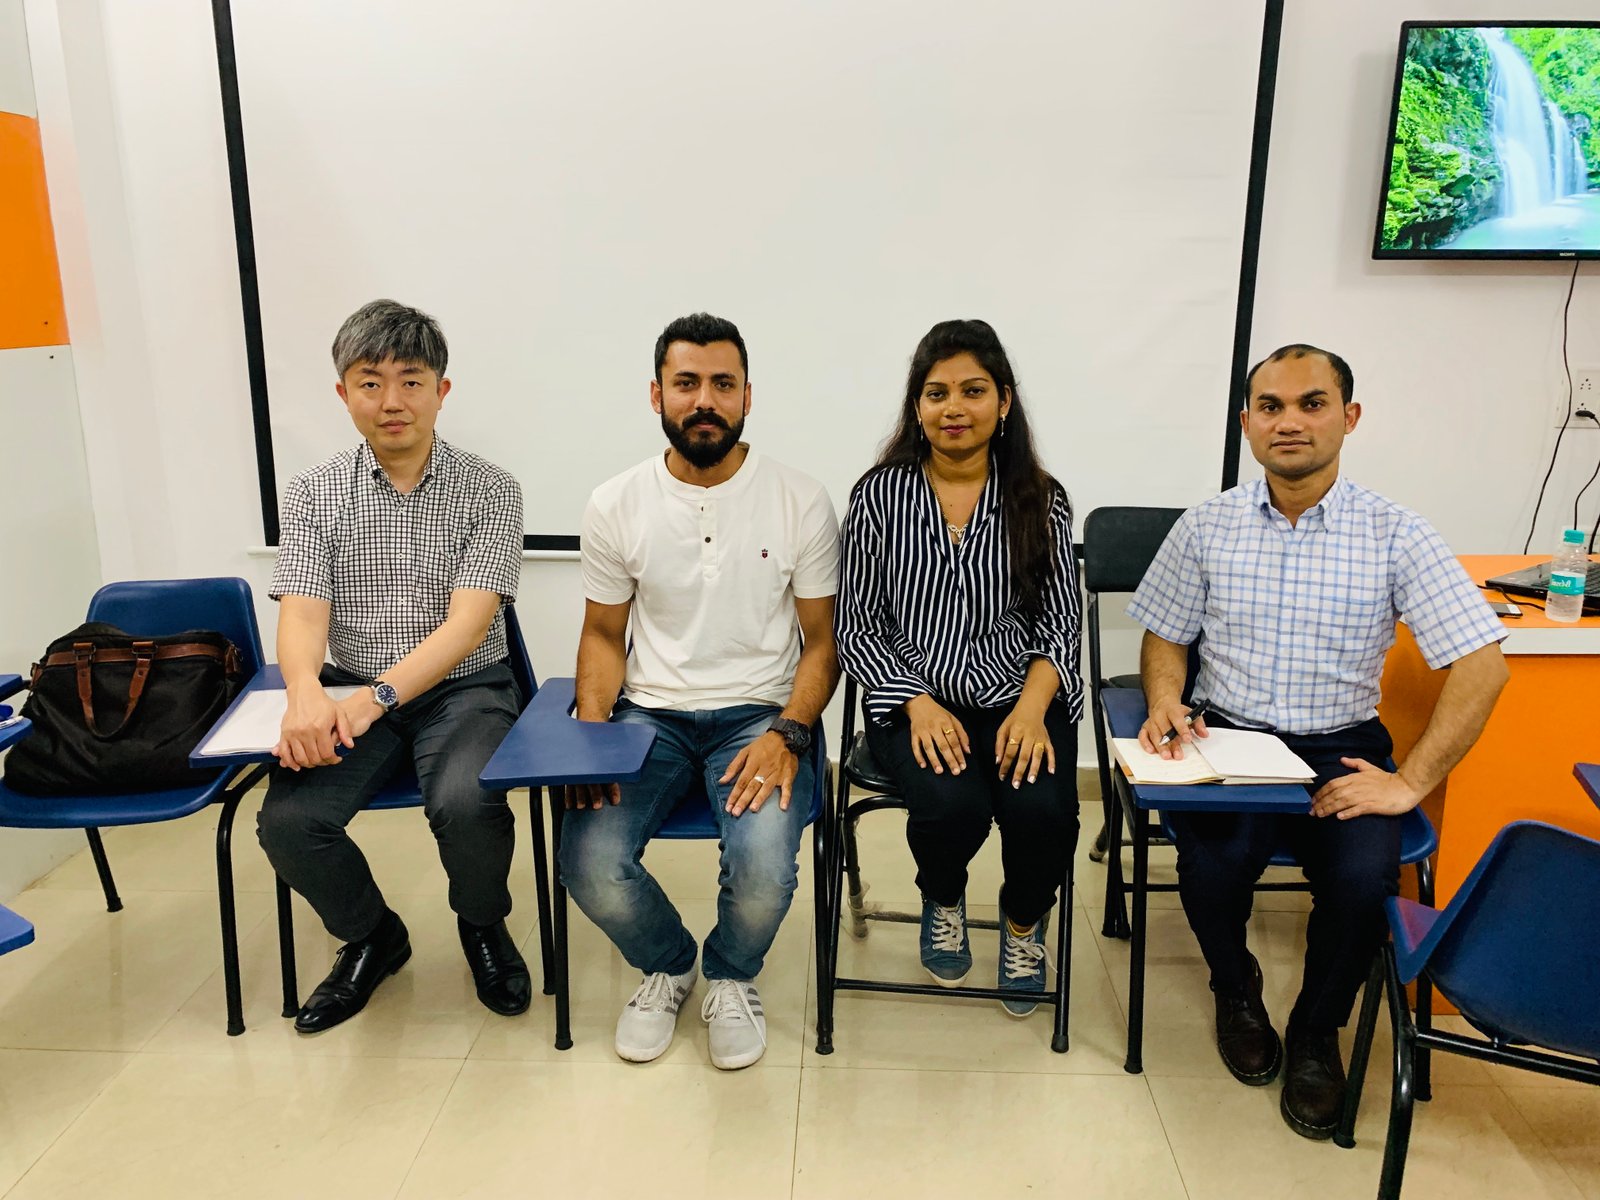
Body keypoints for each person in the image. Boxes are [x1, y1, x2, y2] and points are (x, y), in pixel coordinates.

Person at [1128, 343, 1508, 1138]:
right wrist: (1165, 698)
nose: (1289, 421)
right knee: (1210, 860)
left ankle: (1314, 1028)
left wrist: (1409, 783)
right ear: (1247, 424)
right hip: (1228, 738)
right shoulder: (1208, 525)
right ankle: (1235, 987)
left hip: (1341, 745)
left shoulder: (1396, 532)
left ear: (1349, 417)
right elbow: (1164, 636)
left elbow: (1483, 664)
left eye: (1311, 403)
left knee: (1365, 874)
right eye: (1270, 406)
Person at [561, 312, 839, 1070]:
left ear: (750, 395)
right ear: (657, 395)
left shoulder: (800, 499)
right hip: (647, 715)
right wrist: (593, 740)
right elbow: (600, 637)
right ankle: (671, 963)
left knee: (762, 865)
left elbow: (823, 644)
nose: (705, 400)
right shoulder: (615, 502)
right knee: (586, 858)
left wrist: (789, 734)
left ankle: (729, 975)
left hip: (758, 716)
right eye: (687, 383)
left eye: (723, 383)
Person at [257, 299, 531, 1034]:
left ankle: (481, 923)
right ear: (343, 394)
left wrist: (376, 696)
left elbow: (467, 625)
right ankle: (374, 936)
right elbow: (303, 614)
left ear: (443, 390)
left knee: (465, 801)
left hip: (465, 688)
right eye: (370, 382)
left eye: (411, 381)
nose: (392, 402)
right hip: (350, 690)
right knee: (289, 821)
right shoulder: (315, 492)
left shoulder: (492, 490)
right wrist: (306, 693)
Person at [835, 318, 1083, 1015]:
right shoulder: (879, 496)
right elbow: (857, 625)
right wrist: (915, 701)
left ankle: (1022, 924)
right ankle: (941, 897)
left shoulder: (1043, 497)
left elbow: (1061, 624)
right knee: (952, 805)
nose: (953, 408)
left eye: (972, 390)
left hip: (1019, 696)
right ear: (916, 405)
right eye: (936, 392)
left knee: (1044, 814)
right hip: (916, 697)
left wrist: (1033, 710)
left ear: (1003, 402)